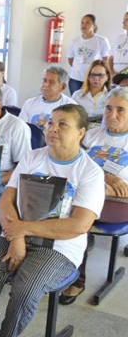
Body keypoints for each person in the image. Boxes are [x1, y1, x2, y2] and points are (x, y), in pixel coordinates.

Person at [0, 104, 104, 337]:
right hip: (17, 232)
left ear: (81, 132)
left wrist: (23, 231)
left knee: (26, 289)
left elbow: (78, 225)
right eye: (51, 122)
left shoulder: (89, 172)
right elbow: (6, 200)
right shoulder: (33, 158)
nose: (53, 129)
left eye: (63, 124)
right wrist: (16, 237)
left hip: (60, 247)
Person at [60, 88, 128, 304]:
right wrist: (106, 177)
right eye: (108, 108)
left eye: (120, 110)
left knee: (78, 216)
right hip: (86, 196)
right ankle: (56, 268)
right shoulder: (90, 135)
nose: (112, 115)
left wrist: (95, 181)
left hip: (117, 204)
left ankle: (77, 281)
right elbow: (72, 165)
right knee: (67, 209)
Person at [67, 14, 111, 95]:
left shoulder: (102, 40)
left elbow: (106, 60)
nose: (84, 25)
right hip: (76, 78)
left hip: (94, 78)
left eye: (87, 23)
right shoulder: (74, 41)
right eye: (82, 22)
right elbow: (70, 60)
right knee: (76, 103)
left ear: (94, 25)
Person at [110, 12, 128, 76]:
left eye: (126, 20)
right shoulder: (118, 38)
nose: (123, 22)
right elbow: (111, 57)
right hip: (114, 78)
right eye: (123, 20)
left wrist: (122, 75)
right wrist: (112, 73)